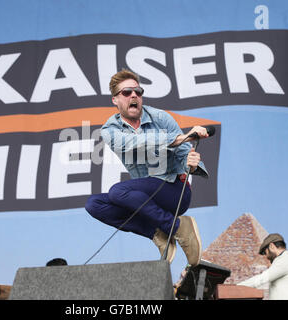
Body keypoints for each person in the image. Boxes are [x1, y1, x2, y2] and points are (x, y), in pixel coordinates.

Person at [85, 69, 210, 266]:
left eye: (138, 91)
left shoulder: (161, 118)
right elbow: (137, 143)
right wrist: (181, 137)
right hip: (146, 198)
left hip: (175, 192)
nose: (134, 95)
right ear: (115, 100)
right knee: (94, 204)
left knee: (118, 192)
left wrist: (191, 163)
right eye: (126, 93)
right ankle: (159, 233)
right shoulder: (110, 130)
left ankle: (179, 227)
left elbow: (184, 152)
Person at [238, 233, 288, 300]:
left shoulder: (285, 260)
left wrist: (235, 288)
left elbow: (262, 279)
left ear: (271, 246)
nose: (266, 257)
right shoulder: (286, 259)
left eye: (265, 252)